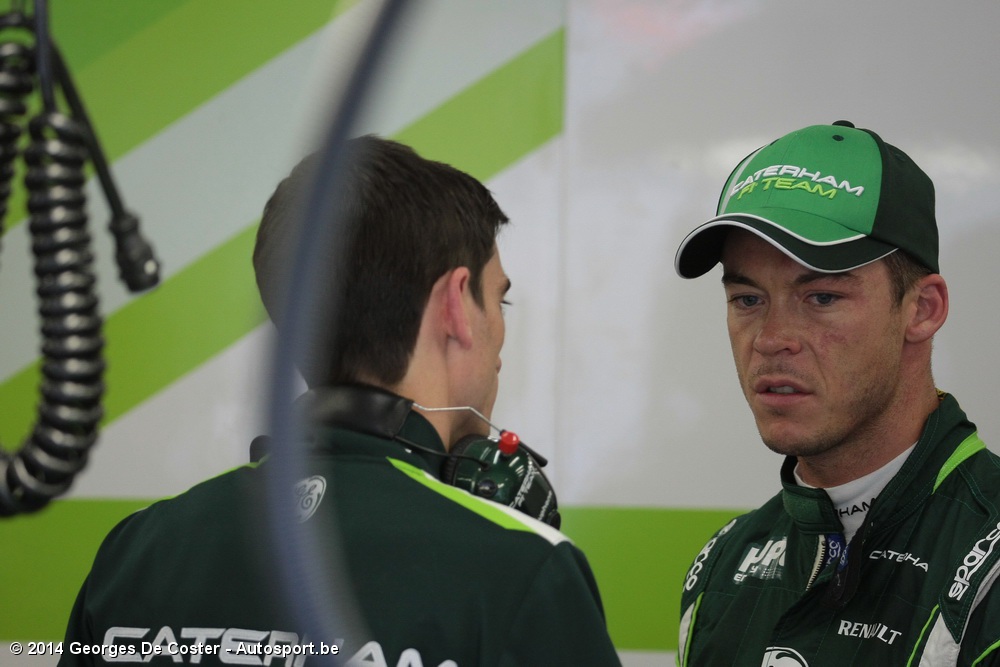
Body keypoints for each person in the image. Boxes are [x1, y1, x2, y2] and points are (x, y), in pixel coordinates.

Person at [58, 136, 621, 666]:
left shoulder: (135, 553)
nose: (500, 340)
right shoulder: (523, 569)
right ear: (455, 305)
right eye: (500, 301)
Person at [672, 121, 1000, 666]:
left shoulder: (987, 561)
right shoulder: (720, 568)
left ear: (922, 310)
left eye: (821, 297)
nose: (772, 339)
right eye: (748, 299)